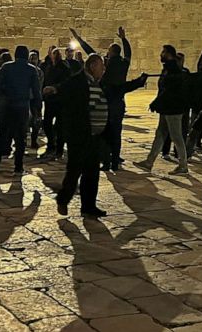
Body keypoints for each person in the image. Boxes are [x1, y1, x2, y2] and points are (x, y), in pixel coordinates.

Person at [47, 54, 146, 218]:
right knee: (74, 170)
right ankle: (63, 199)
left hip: (95, 136)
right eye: (102, 66)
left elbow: (118, 89)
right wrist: (54, 89)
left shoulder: (100, 84)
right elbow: (64, 89)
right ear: (92, 66)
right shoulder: (78, 81)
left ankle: (88, 206)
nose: (104, 69)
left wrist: (138, 82)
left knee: (92, 172)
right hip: (80, 135)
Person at [70, 26, 133, 172]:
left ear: (112, 52)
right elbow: (129, 52)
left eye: (109, 50)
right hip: (119, 102)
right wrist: (124, 39)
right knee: (116, 133)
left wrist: (79, 39)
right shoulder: (124, 64)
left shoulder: (106, 63)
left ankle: (105, 162)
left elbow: (90, 52)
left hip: (105, 102)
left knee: (104, 133)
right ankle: (115, 161)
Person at [134, 44, 190, 175]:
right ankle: (149, 162)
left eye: (163, 52)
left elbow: (169, 91)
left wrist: (156, 103)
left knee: (176, 136)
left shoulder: (173, 69)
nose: (161, 55)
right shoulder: (169, 68)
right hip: (167, 108)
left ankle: (183, 165)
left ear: (169, 54)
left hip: (173, 109)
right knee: (160, 134)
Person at [0, 45, 42, 174]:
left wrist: (1, 95)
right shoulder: (31, 70)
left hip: (6, 105)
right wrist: (38, 108)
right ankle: (18, 167)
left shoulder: (7, 67)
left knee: (1, 134)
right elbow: (36, 91)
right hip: (22, 106)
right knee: (20, 138)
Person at [40, 48, 71, 160]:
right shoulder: (49, 66)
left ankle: (59, 150)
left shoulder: (64, 67)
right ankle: (51, 145)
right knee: (47, 123)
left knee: (60, 126)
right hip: (49, 100)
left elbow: (67, 82)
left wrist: (55, 88)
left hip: (60, 101)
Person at [28, 50, 45, 149]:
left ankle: (33, 140)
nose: (33, 60)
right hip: (27, 98)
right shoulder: (26, 70)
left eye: (35, 58)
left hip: (35, 98)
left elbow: (40, 85)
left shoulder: (39, 71)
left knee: (36, 120)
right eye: (31, 58)